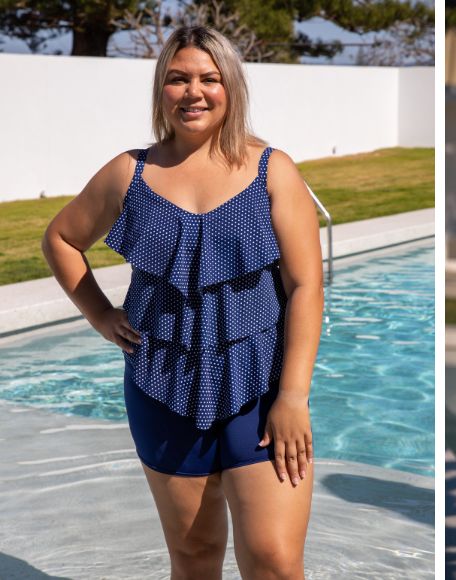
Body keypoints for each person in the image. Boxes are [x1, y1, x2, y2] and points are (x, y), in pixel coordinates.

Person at [41, 25, 323, 579]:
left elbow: (305, 287)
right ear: (161, 90)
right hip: (160, 386)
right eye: (177, 79)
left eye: (208, 79)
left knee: (274, 559)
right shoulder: (132, 172)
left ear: (230, 87)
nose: (193, 92)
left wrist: (293, 395)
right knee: (194, 557)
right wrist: (100, 315)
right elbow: (61, 239)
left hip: (260, 388)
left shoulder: (272, 171)